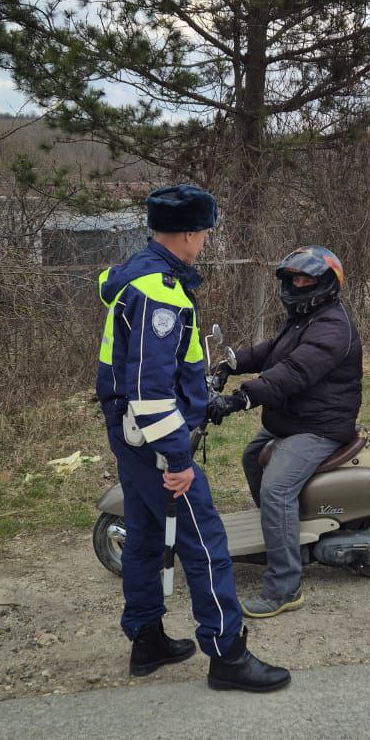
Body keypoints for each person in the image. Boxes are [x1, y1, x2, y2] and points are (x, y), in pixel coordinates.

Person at [95, 182, 290, 692]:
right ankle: (227, 654)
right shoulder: (158, 292)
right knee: (205, 543)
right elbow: (149, 389)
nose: (205, 240)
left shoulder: (134, 273)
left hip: (130, 437)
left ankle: (147, 638)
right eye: (204, 232)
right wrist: (178, 458)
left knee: (142, 538)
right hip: (155, 441)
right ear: (186, 234)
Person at [209, 247, 362, 618]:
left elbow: (292, 372)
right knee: (251, 457)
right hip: (295, 421)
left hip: (319, 427)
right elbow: (272, 351)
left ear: (326, 284)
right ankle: (280, 535)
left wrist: (241, 399)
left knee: (277, 490)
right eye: (293, 278)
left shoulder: (332, 327)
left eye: (306, 279)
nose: (297, 285)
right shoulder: (303, 317)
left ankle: (285, 588)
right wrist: (231, 363)